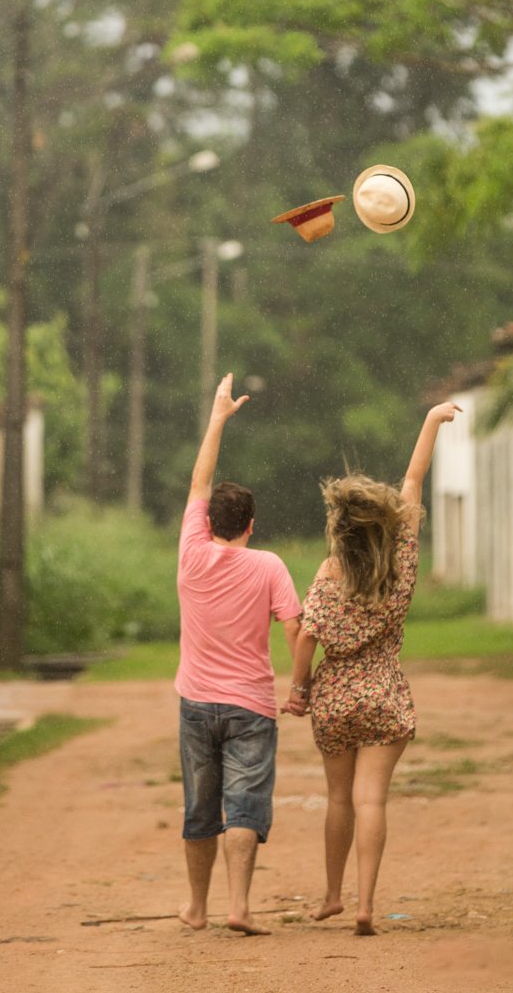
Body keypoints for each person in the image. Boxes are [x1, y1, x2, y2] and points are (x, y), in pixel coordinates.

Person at [282, 401, 461, 935]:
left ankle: (333, 896)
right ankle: (365, 904)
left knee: (339, 799)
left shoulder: (330, 570)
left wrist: (298, 689)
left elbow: (307, 636)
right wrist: (432, 419)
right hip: (384, 693)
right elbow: (413, 479)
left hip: (335, 699)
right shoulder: (400, 561)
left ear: (340, 530)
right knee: (371, 799)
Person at [176, 373, 302, 936]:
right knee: (244, 805)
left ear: (206, 523)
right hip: (252, 706)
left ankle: (197, 908)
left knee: (200, 809)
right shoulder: (269, 565)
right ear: (252, 525)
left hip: (196, 704)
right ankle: (239, 907)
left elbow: (199, 482)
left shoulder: (191, 552)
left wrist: (217, 418)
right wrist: (301, 687)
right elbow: (296, 628)